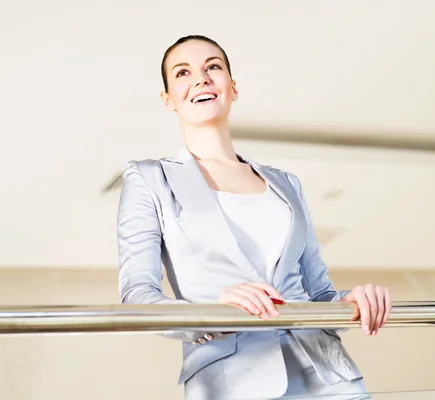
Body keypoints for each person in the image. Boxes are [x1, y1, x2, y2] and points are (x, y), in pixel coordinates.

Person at [116, 35, 392, 400]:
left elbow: (318, 294)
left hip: (331, 380)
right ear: (168, 100)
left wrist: (355, 299)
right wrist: (212, 312)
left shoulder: (286, 184)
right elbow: (137, 296)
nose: (201, 78)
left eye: (213, 67)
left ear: (233, 87)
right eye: (183, 72)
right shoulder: (148, 178)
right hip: (231, 381)